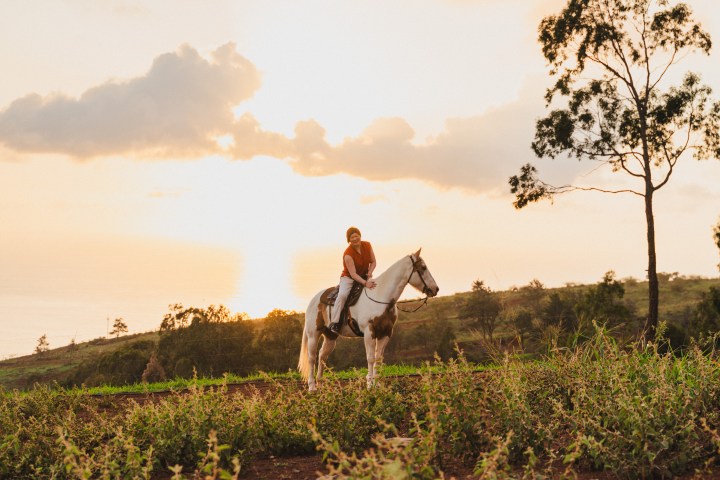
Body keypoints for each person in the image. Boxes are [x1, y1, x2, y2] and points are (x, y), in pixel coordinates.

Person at [328, 227, 377, 333]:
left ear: (360, 236)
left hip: (365, 275)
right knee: (342, 295)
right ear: (349, 240)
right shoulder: (348, 254)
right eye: (352, 237)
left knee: (377, 288)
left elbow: (373, 262)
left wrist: (369, 275)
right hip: (349, 278)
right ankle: (335, 323)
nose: (355, 238)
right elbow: (353, 274)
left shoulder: (367, 245)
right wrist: (365, 283)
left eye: (356, 236)